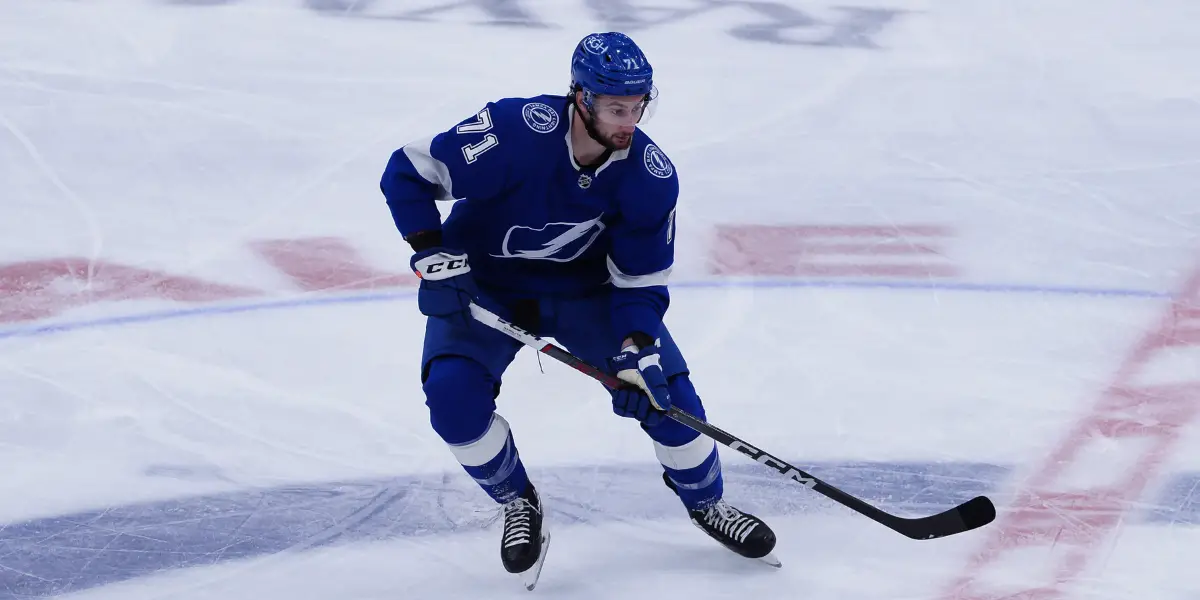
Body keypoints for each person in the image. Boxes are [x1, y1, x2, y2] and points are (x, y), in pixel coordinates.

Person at [379, 31, 778, 586]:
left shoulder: (649, 176)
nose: (629, 122)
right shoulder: (513, 132)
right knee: (451, 400)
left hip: (586, 295)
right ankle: (519, 501)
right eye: (616, 108)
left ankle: (706, 502)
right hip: (485, 288)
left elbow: (638, 283)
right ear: (580, 98)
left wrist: (637, 348)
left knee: (671, 400)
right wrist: (430, 251)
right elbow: (405, 173)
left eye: (638, 107)